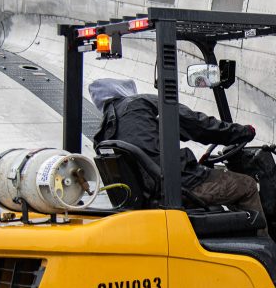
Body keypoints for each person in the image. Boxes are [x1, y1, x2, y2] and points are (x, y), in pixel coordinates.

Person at [89, 78, 266, 229]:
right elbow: (198, 125)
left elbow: (162, 135)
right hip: (181, 187)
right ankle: (267, 252)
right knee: (247, 185)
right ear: (126, 90)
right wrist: (242, 132)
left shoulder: (103, 132)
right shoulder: (140, 103)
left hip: (150, 195)